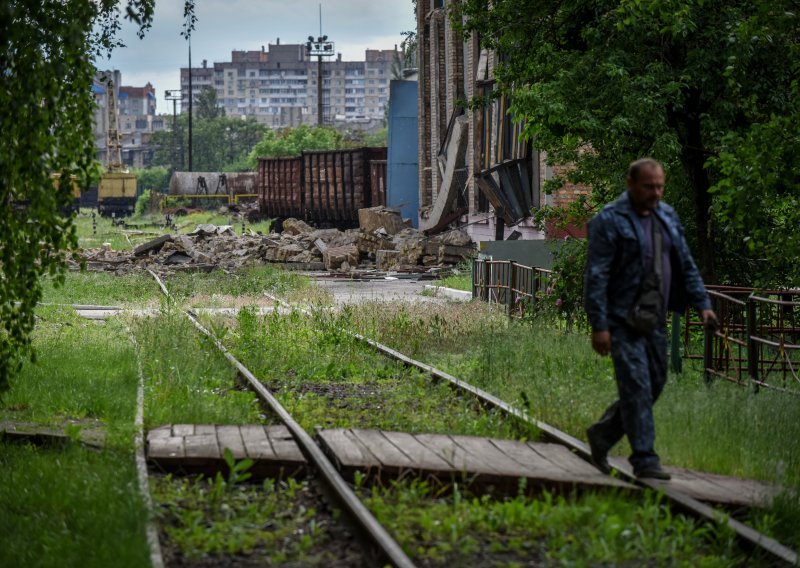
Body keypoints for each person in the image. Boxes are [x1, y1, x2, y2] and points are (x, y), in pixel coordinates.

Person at [584, 158, 717, 480]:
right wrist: (599, 325)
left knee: (655, 383)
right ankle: (644, 458)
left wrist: (703, 305)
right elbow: (597, 276)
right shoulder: (610, 220)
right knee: (637, 386)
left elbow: (685, 264)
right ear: (631, 184)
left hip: (654, 318)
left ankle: (603, 434)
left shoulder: (667, 217)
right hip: (620, 320)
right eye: (649, 186)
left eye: (660, 186)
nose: (656, 193)